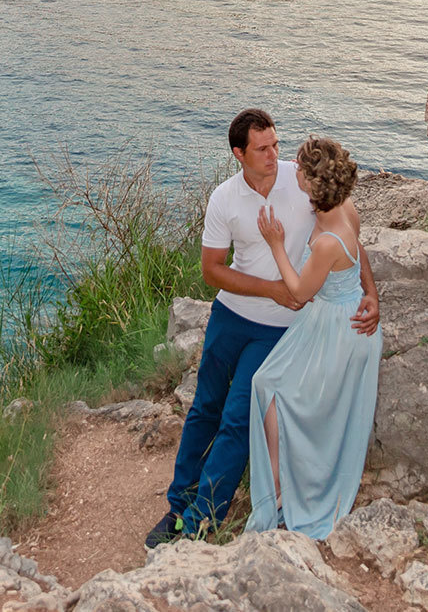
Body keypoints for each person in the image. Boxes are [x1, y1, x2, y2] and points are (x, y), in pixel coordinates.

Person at [146, 109, 379, 548]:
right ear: (239, 154)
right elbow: (212, 271)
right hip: (231, 315)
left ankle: (199, 522)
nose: (274, 155)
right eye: (262, 149)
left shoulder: (304, 182)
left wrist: (371, 291)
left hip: (279, 327)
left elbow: (350, 236)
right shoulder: (224, 199)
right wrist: (271, 289)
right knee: (204, 408)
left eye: (275, 144)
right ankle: (178, 505)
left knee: (238, 417)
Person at [247, 136, 382, 538]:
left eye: (300, 166)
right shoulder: (345, 208)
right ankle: (281, 485)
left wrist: (276, 245)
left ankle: (282, 491)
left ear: (310, 180)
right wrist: (372, 293)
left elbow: (300, 292)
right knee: (267, 383)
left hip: (339, 330)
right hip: (341, 314)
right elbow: (360, 253)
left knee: (272, 387)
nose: (293, 166)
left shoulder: (326, 242)